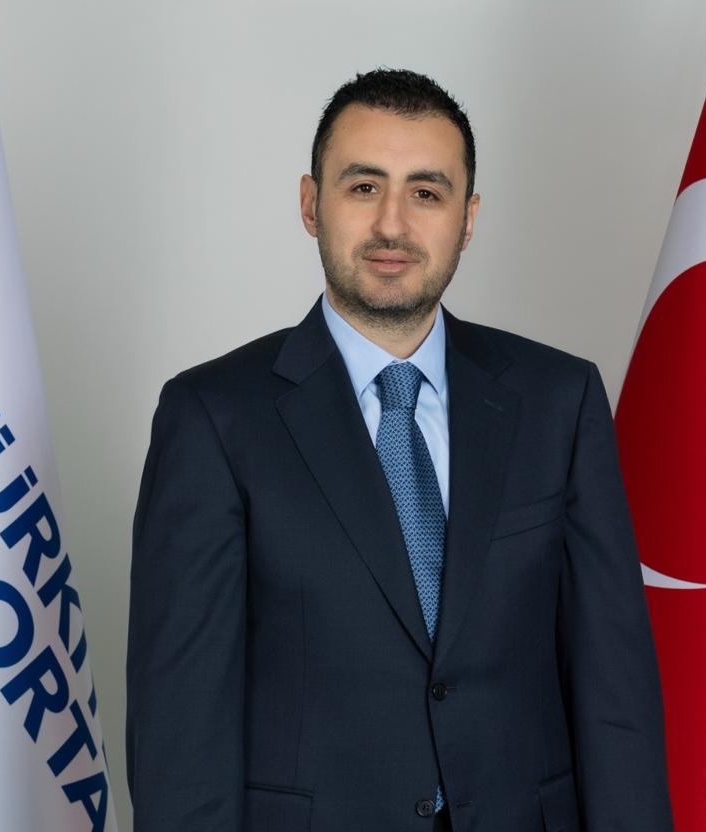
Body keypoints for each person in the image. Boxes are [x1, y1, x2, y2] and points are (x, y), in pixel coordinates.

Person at [127, 68, 672, 831]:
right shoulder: (213, 419)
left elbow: (617, 698)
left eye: (426, 192)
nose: (392, 224)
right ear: (311, 204)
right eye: (363, 187)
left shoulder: (560, 401)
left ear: (467, 217)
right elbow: (181, 734)